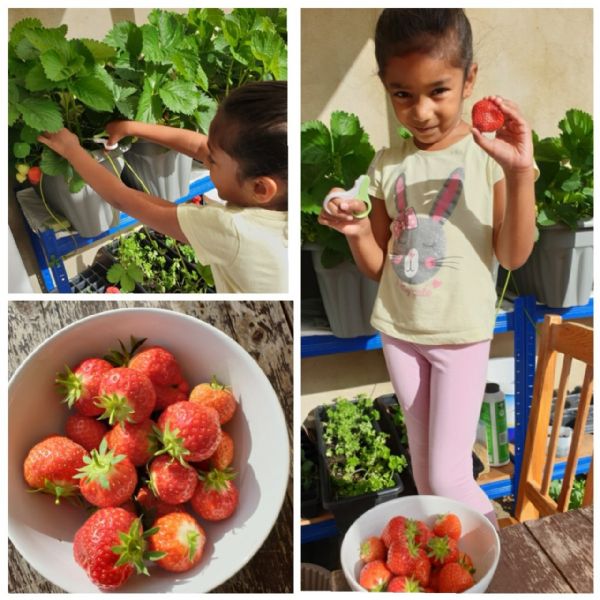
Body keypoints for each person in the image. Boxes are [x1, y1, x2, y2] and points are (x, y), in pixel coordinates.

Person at [319, 9, 537, 528]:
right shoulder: (384, 165)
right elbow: (379, 268)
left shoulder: (490, 158)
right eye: (403, 94)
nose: (421, 111)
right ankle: (449, 563)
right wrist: (353, 233)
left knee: (449, 476)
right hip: (400, 334)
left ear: (470, 80)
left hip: (460, 337)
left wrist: (522, 170)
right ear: (386, 88)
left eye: (438, 91)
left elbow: (513, 256)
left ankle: (510, 561)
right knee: (423, 470)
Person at [38, 80, 288, 294]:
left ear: (261, 189)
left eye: (213, 161)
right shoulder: (285, 195)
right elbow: (202, 147)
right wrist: (133, 128)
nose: (205, 159)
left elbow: (122, 199)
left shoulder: (233, 230)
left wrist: (71, 150)